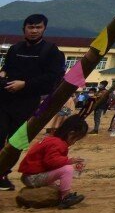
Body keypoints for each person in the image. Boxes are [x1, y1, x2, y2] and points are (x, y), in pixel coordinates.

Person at [0, 14, 66, 191]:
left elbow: (52, 78)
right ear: (24, 29)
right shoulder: (15, 49)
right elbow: (6, 68)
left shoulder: (51, 51)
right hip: (4, 99)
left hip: (28, 103)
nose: (34, 31)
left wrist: (25, 84)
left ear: (44, 29)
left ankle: (3, 174)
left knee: (17, 140)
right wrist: (3, 75)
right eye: (31, 27)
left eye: (38, 27)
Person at [17, 114, 87, 209]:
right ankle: (65, 198)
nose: (74, 142)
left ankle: (63, 194)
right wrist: (68, 161)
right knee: (67, 169)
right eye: (75, 139)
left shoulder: (52, 139)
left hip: (31, 175)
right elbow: (51, 161)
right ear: (71, 134)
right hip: (33, 178)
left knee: (62, 174)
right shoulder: (57, 143)